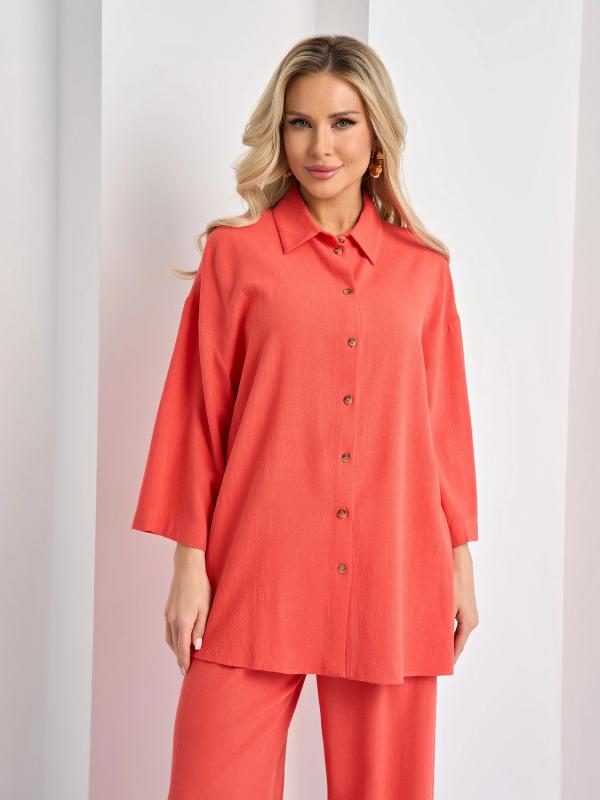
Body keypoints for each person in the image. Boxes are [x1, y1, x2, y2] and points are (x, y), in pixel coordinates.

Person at [131, 33, 479, 800]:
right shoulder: (237, 257)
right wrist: (189, 563)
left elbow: (442, 428)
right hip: (257, 569)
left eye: (342, 122)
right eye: (300, 123)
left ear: (376, 134)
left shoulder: (425, 272)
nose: (320, 146)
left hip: (392, 567)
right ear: (279, 132)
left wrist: (459, 564)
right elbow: (198, 415)